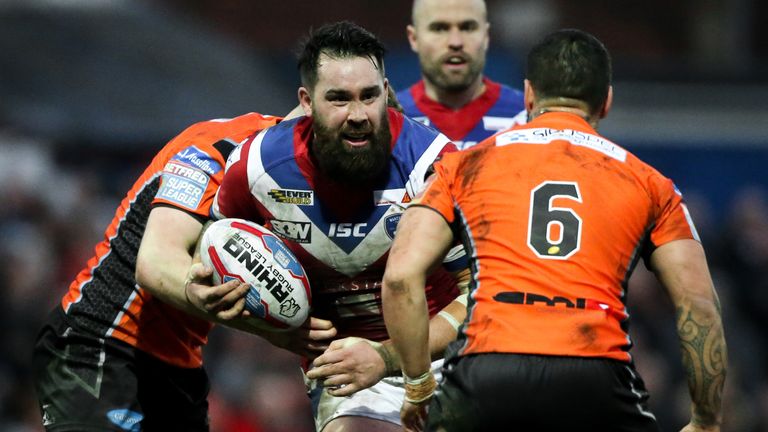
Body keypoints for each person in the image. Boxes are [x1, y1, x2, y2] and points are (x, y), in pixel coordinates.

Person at [382, 29, 727, 432]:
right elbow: (699, 304)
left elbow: (401, 277)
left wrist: (419, 384)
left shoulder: (462, 167)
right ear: (607, 101)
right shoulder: (653, 185)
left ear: (529, 94)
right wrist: (706, 419)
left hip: (486, 369)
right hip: (595, 375)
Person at [210, 21, 470, 432]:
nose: (358, 115)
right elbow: (210, 265)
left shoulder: (434, 166)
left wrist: (387, 356)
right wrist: (250, 318)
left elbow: (481, 295)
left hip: (448, 358)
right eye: (339, 99)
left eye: (369, 96)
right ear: (307, 100)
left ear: (386, 91)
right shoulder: (258, 169)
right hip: (348, 375)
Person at [31, 109, 337, 431]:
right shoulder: (217, 147)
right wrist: (270, 329)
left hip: (179, 370)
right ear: (309, 97)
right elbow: (155, 264)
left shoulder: (312, 191)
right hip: (101, 343)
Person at [397, 0, 526, 150]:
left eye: (467, 28)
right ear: (413, 38)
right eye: (439, 29)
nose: (455, 42)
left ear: (486, 36)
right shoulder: (389, 121)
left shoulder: (527, 116)